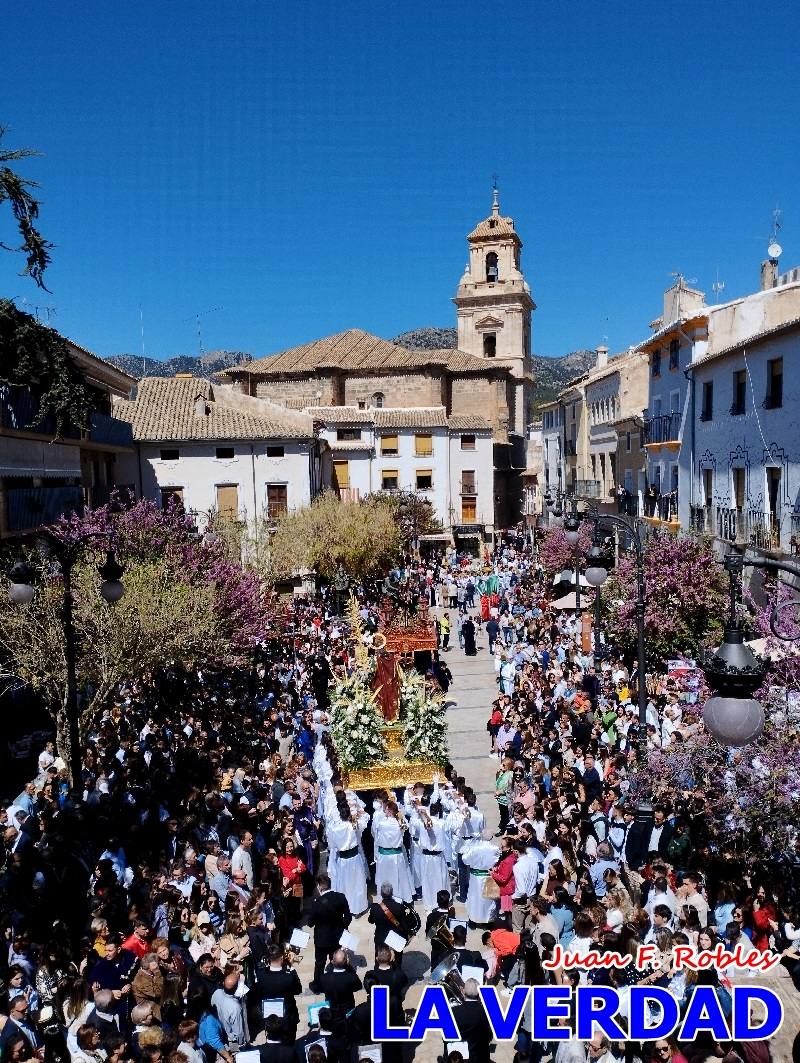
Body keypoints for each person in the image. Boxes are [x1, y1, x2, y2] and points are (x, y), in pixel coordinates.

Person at [306, 872, 352, 993]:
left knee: (320, 963)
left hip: (322, 939)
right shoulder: (341, 897)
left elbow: (310, 923)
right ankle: (338, 982)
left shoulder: (316, 903)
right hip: (337, 937)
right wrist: (343, 927)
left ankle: (317, 986)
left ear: (320, 886)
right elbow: (348, 917)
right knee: (336, 960)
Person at [254, 944, 302, 1043]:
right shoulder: (289, 976)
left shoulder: (260, 974)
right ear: (281, 958)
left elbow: (258, 993)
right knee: (289, 1042)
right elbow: (298, 990)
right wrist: (291, 967)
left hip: (270, 1017)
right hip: (287, 1016)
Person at [461, 830, 501, 926]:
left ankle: (473, 920)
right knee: (489, 900)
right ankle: (488, 921)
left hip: (475, 877)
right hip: (489, 876)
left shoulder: (474, 848)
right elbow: (498, 860)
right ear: (491, 838)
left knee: (474, 899)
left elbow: (465, 860)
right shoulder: (495, 849)